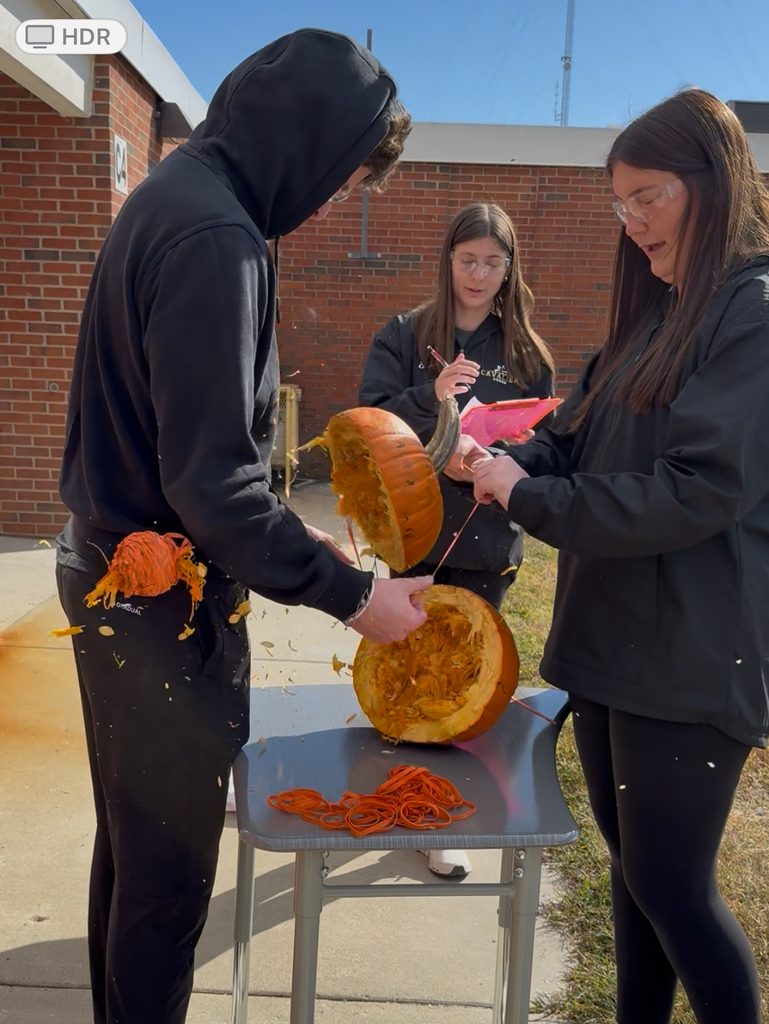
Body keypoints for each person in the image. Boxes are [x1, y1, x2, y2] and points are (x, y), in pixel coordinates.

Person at [55, 29, 431, 1024]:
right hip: (157, 605)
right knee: (167, 879)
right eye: (340, 176)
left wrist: (300, 535)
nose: (331, 202)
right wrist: (353, 597)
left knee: (133, 850)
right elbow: (214, 488)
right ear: (303, 141)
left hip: (116, 578)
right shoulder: (215, 237)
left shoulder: (175, 197)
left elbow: (199, 451)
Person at [455, 89, 768, 1024]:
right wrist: (509, 459)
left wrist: (530, 497)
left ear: (715, 182)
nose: (631, 221)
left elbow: (697, 490)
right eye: (619, 202)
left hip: (690, 652)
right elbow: (576, 432)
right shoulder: (656, 314)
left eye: (648, 196)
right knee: (635, 877)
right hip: (612, 639)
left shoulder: (752, 314)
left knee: (673, 888)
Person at [359, 201, 555, 876]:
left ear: (509, 268)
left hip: (487, 541)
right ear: (447, 261)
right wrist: (432, 402)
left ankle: (438, 815)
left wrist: (495, 462)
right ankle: (405, 801)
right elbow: (370, 420)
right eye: (467, 260)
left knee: (464, 679)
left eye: (492, 263)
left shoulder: (526, 352)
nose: (478, 275)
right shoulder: (405, 334)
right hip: (414, 535)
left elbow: (544, 444)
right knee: (406, 670)